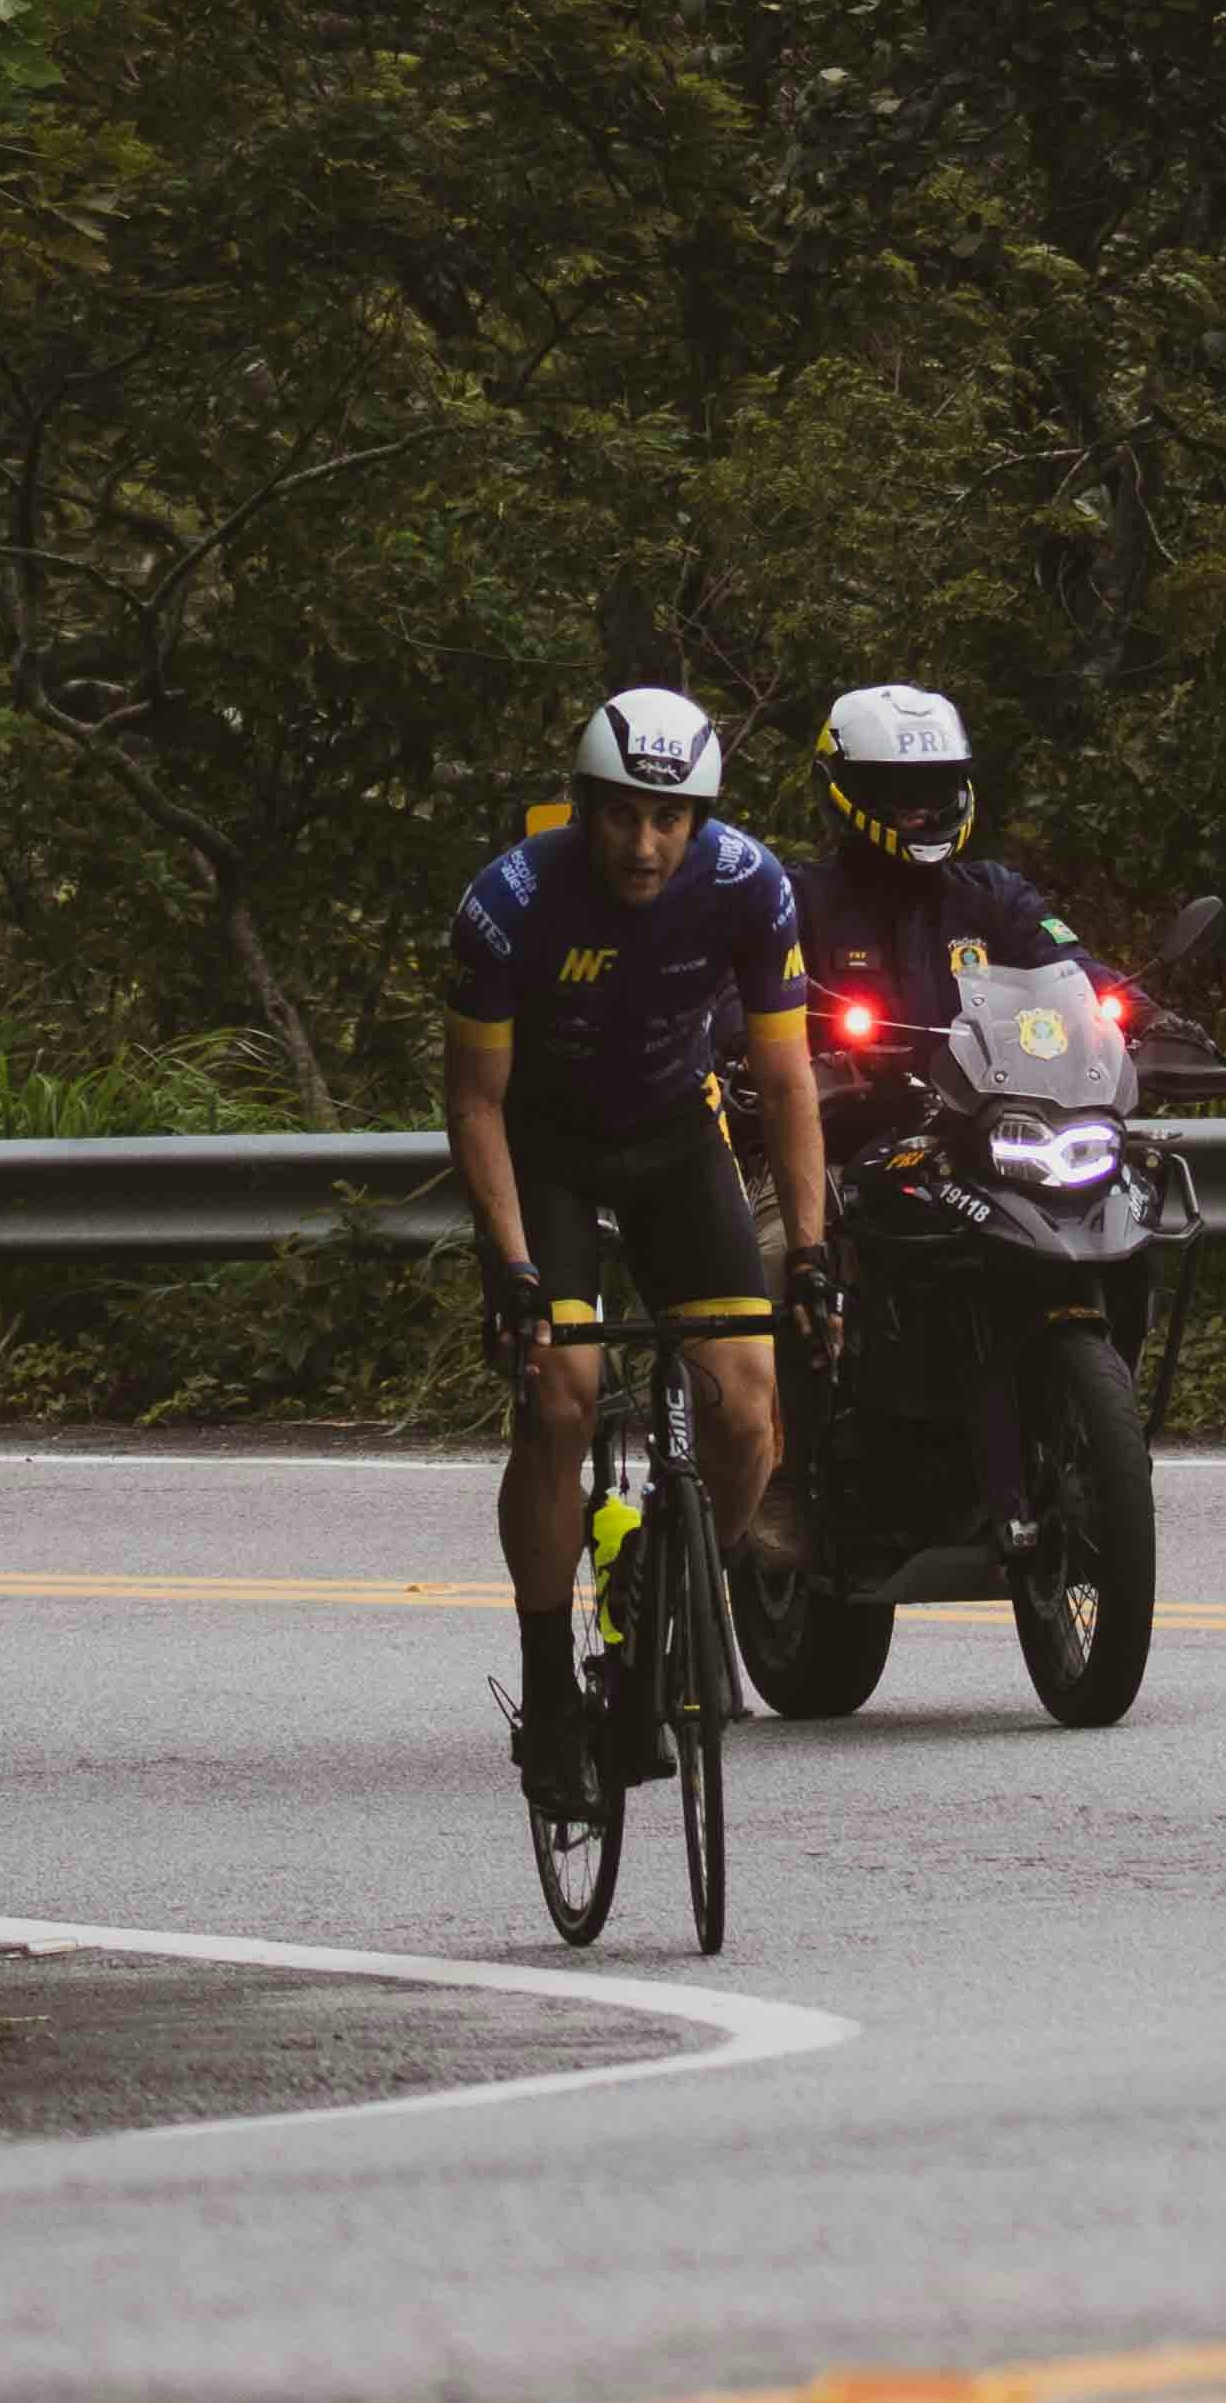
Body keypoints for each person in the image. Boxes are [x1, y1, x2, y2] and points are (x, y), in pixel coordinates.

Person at [442, 687, 841, 1813]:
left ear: (699, 819)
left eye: (670, 819)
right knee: (561, 1398)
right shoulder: (509, 903)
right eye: (622, 815)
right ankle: (547, 1692)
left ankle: (665, 1613)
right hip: (546, 1150)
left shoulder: (749, 885)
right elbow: (475, 1102)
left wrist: (811, 1254)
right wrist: (515, 1269)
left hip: (674, 1138)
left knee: (749, 1411)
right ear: (584, 808)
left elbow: (786, 1080)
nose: (646, 843)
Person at [789, 682, 1085, 1156]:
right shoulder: (795, 901)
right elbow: (734, 997)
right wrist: (748, 1050)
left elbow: (1076, 972)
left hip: (990, 1149)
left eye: (936, 789)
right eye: (902, 792)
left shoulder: (994, 895)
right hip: (836, 1158)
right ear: (841, 786)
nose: (923, 812)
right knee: (779, 1210)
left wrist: (1153, 1022)